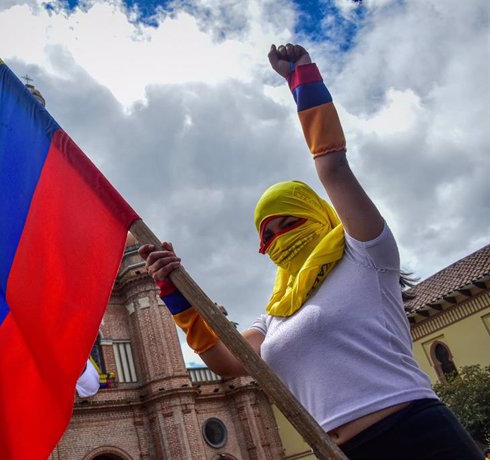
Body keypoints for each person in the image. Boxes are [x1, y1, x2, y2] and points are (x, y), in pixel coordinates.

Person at [138, 44, 482, 459]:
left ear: (318, 213)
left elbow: (333, 167)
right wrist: (175, 293)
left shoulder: (367, 255)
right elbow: (227, 359)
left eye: (289, 220)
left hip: (417, 437)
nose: (281, 235)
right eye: (269, 231)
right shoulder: (276, 313)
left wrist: (303, 81)